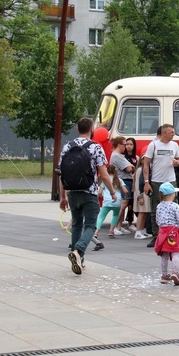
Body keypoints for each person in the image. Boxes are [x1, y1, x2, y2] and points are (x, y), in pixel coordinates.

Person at [58, 117, 117, 276]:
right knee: (91, 225)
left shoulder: (67, 146)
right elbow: (104, 175)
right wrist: (112, 192)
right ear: (92, 130)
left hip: (72, 192)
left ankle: (79, 259)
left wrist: (63, 197)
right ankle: (78, 251)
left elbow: (61, 173)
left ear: (77, 129)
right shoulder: (96, 147)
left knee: (77, 224)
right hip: (89, 192)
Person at [142, 124, 179, 247]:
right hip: (156, 181)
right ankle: (156, 236)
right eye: (171, 132)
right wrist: (146, 182)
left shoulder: (175, 145)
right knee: (156, 209)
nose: (173, 134)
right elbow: (146, 164)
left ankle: (173, 233)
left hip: (171, 180)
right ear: (164, 133)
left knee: (173, 206)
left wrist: (178, 162)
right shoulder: (153, 145)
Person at [153, 182, 179, 286]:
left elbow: (158, 220)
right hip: (172, 232)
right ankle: (175, 273)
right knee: (175, 252)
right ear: (171, 195)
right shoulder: (175, 206)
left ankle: (164, 275)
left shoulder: (159, 206)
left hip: (162, 232)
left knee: (164, 254)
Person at [109, 137, 134, 235]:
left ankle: (118, 227)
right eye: (124, 144)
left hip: (122, 180)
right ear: (119, 145)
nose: (126, 147)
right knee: (123, 204)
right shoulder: (117, 156)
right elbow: (128, 168)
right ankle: (114, 227)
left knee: (123, 204)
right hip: (123, 180)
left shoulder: (117, 155)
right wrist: (131, 166)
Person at [98, 164, 126, 239]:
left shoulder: (105, 180)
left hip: (107, 200)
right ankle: (111, 230)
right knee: (115, 215)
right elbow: (125, 191)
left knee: (101, 216)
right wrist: (125, 196)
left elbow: (100, 192)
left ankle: (96, 232)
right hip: (117, 201)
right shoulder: (119, 180)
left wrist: (101, 196)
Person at [132, 148, 152, 239]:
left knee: (144, 212)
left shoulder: (140, 169)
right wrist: (140, 196)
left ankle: (142, 230)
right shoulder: (141, 170)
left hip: (143, 193)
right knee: (142, 212)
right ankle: (138, 231)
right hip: (142, 194)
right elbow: (139, 184)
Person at [123, 137, 138, 228]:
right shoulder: (122, 157)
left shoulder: (136, 158)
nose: (128, 146)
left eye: (131, 144)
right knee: (125, 202)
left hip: (134, 181)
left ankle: (130, 222)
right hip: (125, 181)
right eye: (127, 144)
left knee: (132, 202)